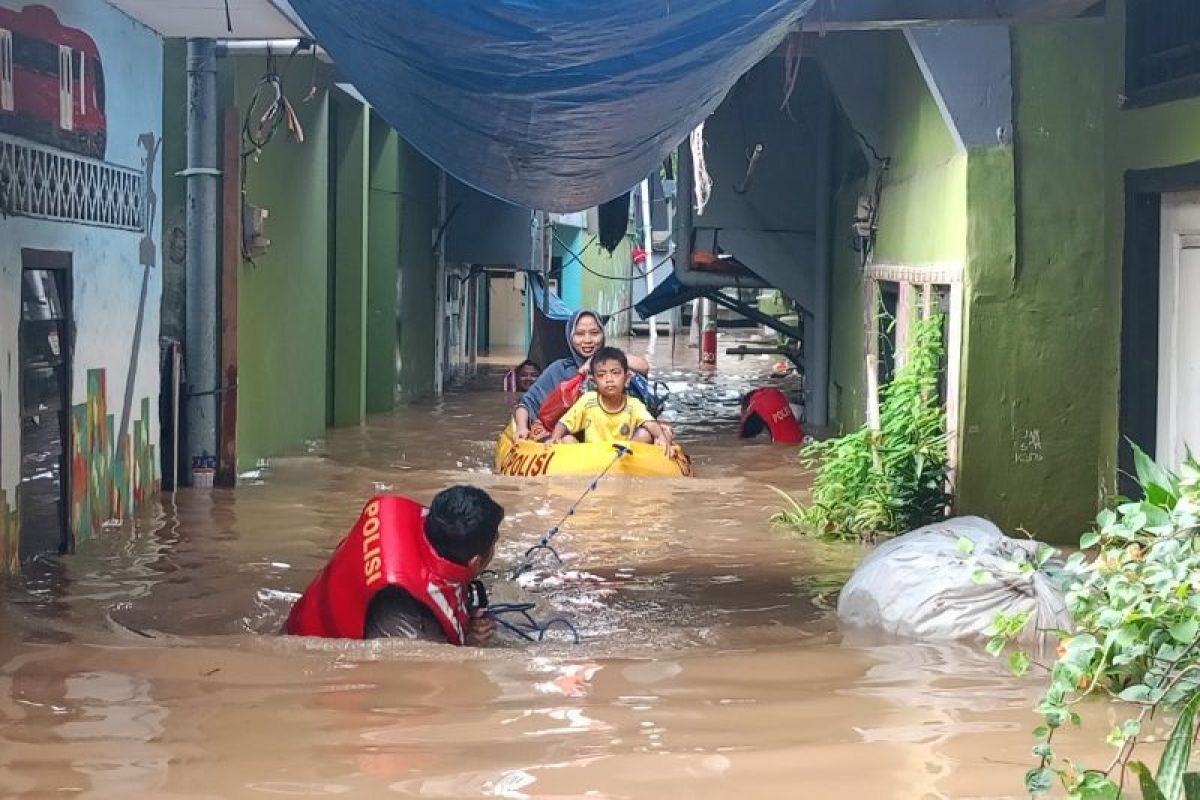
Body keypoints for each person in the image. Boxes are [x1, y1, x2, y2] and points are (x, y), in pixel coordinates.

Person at [285, 486, 504, 645]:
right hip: (314, 652)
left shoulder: (419, 525)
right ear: (476, 562)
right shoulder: (408, 625)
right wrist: (471, 641)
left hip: (305, 614)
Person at [512, 309, 654, 441]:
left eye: (594, 333)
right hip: (572, 443)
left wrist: (595, 360)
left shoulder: (615, 362)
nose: (587, 340)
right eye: (579, 334)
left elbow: (644, 367)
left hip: (618, 439)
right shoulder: (559, 370)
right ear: (570, 337)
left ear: (603, 335)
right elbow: (526, 403)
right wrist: (522, 427)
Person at [549, 346, 672, 455]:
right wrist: (554, 439)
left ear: (627, 379)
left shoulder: (633, 404)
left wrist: (661, 437)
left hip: (623, 456)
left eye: (615, 373)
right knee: (567, 440)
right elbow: (564, 422)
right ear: (593, 382)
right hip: (591, 456)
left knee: (646, 434)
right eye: (601, 375)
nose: (609, 379)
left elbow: (649, 422)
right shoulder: (588, 401)